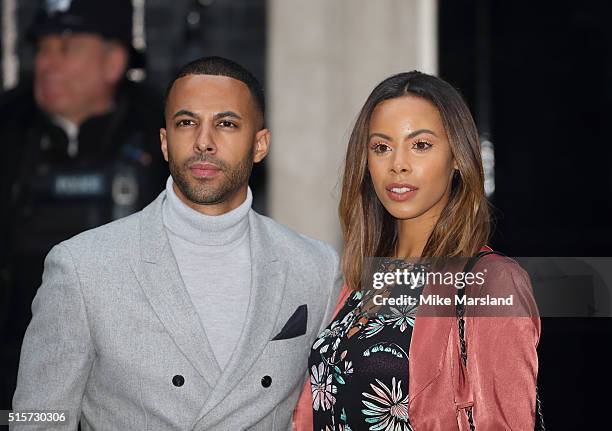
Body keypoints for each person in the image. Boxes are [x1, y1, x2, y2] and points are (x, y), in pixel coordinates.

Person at [12, 55, 342, 430]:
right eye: (187, 123)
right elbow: (35, 419)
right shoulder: (82, 267)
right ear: (165, 142)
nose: (204, 142)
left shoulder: (315, 267)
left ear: (260, 144)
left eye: (227, 124)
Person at [293, 71, 541, 429]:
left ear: (457, 157)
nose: (398, 164)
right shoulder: (359, 282)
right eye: (381, 147)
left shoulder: (491, 283)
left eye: (420, 145)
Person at [0, 0, 166, 408]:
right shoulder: (7, 131)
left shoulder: (164, 136)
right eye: (43, 48)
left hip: (135, 384)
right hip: (16, 375)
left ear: (113, 61)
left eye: (68, 48)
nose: (48, 63)